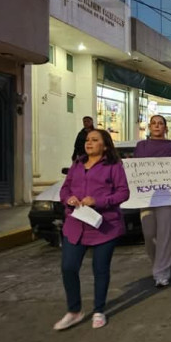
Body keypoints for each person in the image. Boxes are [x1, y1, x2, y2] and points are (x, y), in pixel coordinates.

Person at [54, 129, 130, 330]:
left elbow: (123, 193)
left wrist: (99, 201)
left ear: (104, 146)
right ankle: (74, 311)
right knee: (68, 267)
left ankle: (99, 310)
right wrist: (68, 199)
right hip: (75, 224)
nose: (89, 143)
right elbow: (65, 189)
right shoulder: (77, 164)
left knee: (100, 269)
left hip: (104, 226)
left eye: (95, 140)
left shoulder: (113, 166)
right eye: (88, 140)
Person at [135, 115, 171, 287]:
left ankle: (162, 272)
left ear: (166, 128)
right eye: (154, 123)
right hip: (146, 197)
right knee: (149, 235)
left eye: (160, 124)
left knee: (165, 235)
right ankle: (158, 263)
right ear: (149, 127)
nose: (157, 126)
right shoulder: (141, 146)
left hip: (168, 197)